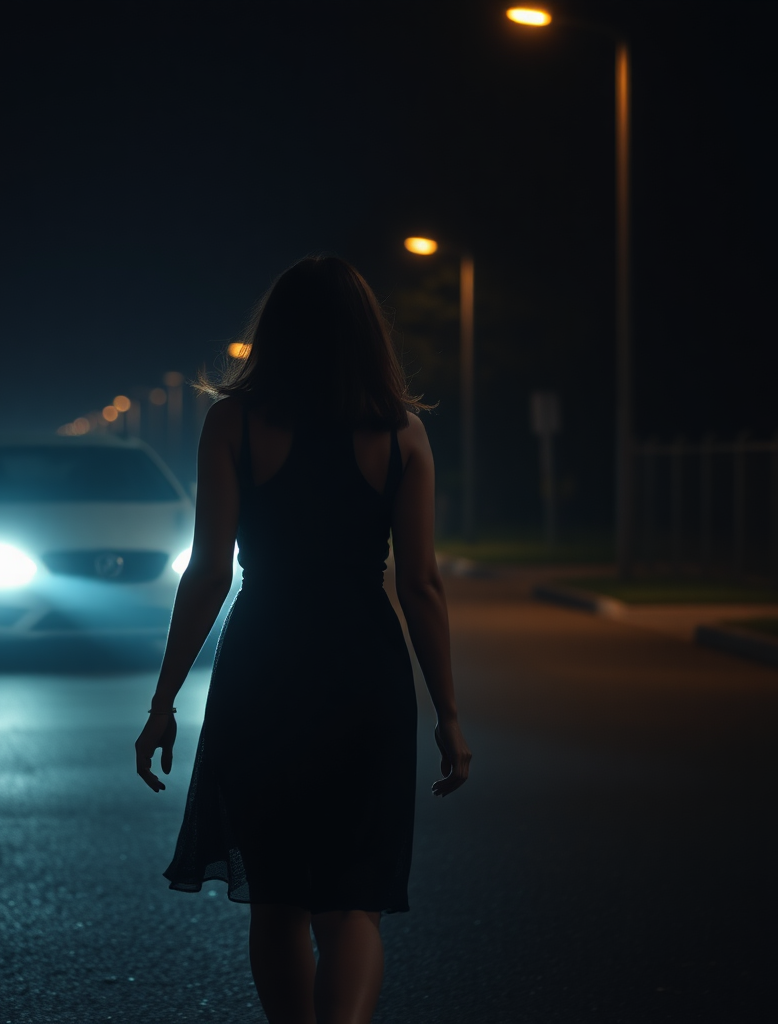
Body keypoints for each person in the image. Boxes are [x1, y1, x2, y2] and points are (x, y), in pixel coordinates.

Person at [135, 255, 471, 1024]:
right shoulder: (402, 434)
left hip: (266, 665)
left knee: (278, 896)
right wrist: (448, 714)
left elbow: (208, 574)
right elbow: (419, 585)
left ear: (274, 335)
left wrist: (163, 703)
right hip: (366, 670)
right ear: (367, 335)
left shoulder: (234, 424)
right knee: (353, 902)